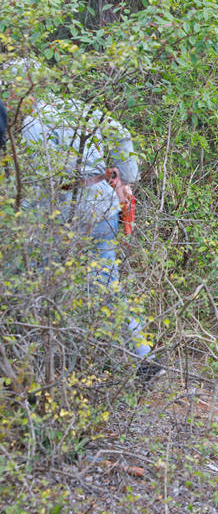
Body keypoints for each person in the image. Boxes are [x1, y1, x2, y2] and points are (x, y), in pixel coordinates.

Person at [7, 61, 162, 382]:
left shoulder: (32, 125)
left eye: (11, 87)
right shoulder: (75, 108)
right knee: (107, 286)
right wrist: (125, 182)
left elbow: (40, 182)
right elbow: (121, 134)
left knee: (39, 278)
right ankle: (139, 356)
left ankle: (45, 363)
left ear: (24, 87)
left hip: (69, 216)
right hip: (102, 210)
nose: (9, 95)